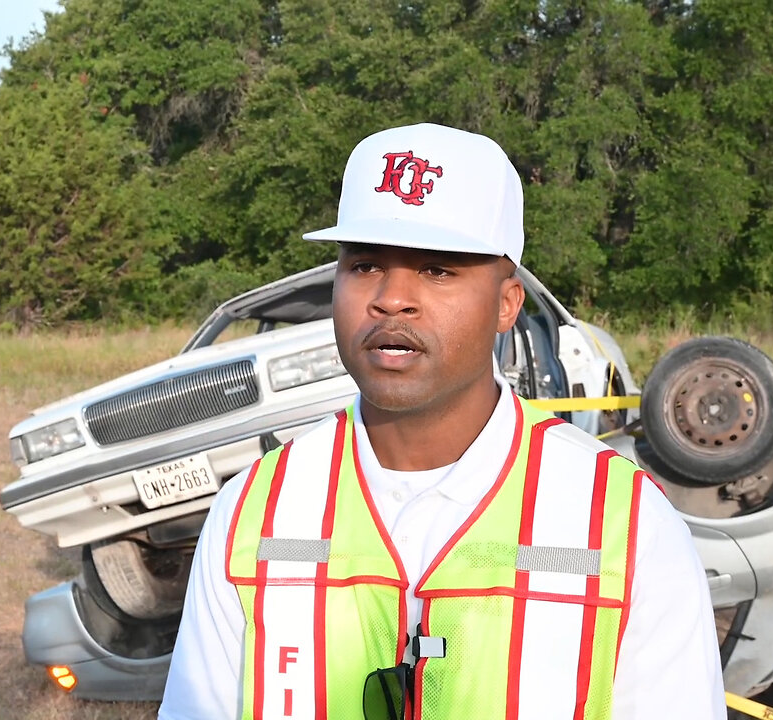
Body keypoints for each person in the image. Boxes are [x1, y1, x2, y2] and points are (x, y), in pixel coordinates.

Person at [158, 123, 725, 720]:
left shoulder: (623, 521)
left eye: (437, 269)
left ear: (507, 304)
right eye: (365, 265)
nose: (391, 298)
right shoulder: (254, 510)